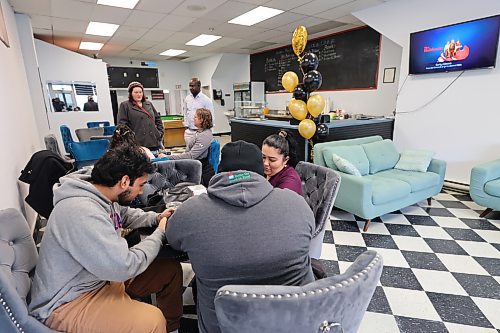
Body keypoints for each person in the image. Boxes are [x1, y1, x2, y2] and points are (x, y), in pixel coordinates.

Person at [29, 144, 183, 333]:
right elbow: (125, 266)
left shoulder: (101, 193)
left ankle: (172, 329)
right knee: (152, 320)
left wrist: (156, 218)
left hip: (98, 278)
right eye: (141, 185)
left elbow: (123, 214)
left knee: (170, 270)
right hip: (66, 302)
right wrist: (160, 233)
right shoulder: (82, 212)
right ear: (125, 182)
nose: (141, 192)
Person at [166, 140, 315, 333]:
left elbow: (173, 240)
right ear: (261, 170)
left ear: (219, 171)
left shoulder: (189, 212)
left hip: (221, 325)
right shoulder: (297, 204)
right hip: (293, 322)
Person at [168, 108, 215, 186]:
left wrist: (170, 157)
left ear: (201, 120)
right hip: (194, 167)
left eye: (195, 117)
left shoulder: (205, 135)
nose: (193, 119)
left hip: (202, 172)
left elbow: (191, 155)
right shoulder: (199, 132)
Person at [118, 81, 164, 151]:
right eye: (136, 92)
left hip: (153, 140)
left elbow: (157, 119)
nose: (139, 94)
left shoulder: (148, 104)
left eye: (140, 92)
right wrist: (130, 138)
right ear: (131, 93)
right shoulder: (125, 105)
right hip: (137, 143)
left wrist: (159, 133)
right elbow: (122, 124)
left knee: (156, 160)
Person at [262, 129, 303, 195]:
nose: (265, 163)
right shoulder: (263, 171)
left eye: (272, 160)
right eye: (263, 157)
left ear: (285, 160)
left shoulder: (290, 184)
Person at [183, 77, 214, 145]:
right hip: (189, 132)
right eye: (190, 86)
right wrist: (186, 126)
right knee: (189, 152)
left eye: (193, 86)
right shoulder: (187, 99)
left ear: (199, 86)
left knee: (199, 153)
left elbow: (210, 117)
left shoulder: (206, 100)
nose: (191, 88)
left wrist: (207, 132)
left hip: (201, 132)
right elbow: (185, 113)